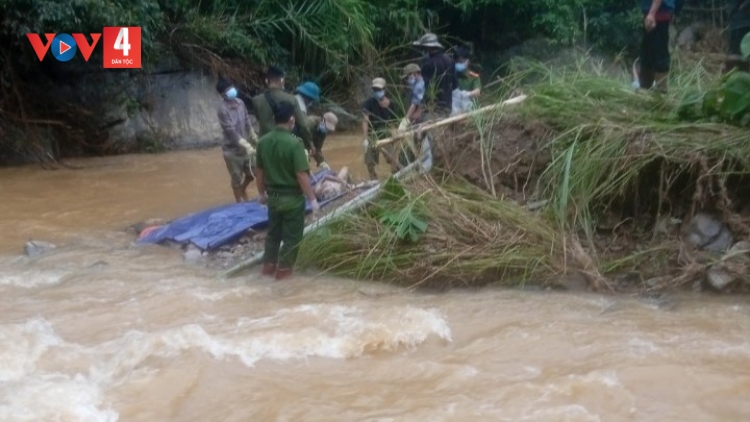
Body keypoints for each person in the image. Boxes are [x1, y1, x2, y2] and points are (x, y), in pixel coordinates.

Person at [255, 101, 320, 280]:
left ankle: (267, 269)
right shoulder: (295, 144)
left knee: (273, 235)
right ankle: (283, 277)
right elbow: (301, 175)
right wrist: (313, 200)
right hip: (292, 200)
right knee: (291, 239)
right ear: (291, 119)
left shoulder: (263, 142)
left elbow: (259, 173)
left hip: (273, 199)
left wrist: (261, 193)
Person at [252, 66, 315, 156]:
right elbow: (303, 125)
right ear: (281, 80)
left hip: (264, 145)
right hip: (284, 145)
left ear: (267, 80)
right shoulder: (291, 99)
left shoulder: (256, 100)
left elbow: (260, 119)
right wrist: (310, 144)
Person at [216, 78, 258, 203]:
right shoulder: (222, 110)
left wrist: (253, 135)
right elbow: (230, 131)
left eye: (231, 87)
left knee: (254, 172)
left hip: (245, 147)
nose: (232, 91)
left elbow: (247, 121)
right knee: (236, 178)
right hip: (232, 151)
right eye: (228, 90)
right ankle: (239, 202)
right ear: (222, 94)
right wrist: (245, 144)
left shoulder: (240, 103)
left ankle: (243, 189)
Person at [361, 77, 400, 180]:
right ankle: (373, 180)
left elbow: (394, 123)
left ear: (384, 90)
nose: (377, 92)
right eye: (375, 90)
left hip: (385, 134)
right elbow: (365, 121)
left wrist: (396, 136)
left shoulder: (391, 104)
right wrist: (365, 138)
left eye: (379, 90)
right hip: (372, 134)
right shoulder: (368, 103)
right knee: (370, 162)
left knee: (392, 158)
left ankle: (396, 177)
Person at [412, 32, 454, 117]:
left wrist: (419, 110)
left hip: (433, 109)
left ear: (427, 48)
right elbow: (454, 84)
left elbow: (427, 90)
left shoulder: (429, 65)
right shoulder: (449, 60)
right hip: (448, 106)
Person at [637, 0, 675, 93]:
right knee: (647, 53)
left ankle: (660, 90)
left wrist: (651, 14)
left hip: (657, 17)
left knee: (659, 53)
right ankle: (645, 88)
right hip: (654, 15)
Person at [451, 46, 481, 116]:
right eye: (457, 62)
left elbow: (477, 92)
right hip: (454, 110)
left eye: (461, 62)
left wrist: (466, 94)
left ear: (468, 61)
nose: (459, 64)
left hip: (469, 110)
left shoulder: (473, 76)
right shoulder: (451, 75)